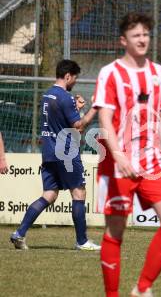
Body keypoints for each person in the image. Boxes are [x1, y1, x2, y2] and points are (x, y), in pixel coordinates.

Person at [93, 12, 161, 297]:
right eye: (136, 35)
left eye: (145, 34)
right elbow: (104, 117)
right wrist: (117, 154)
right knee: (115, 232)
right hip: (117, 163)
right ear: (123, 40)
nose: (142, 39)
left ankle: (142, 289)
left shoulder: (159, 73)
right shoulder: (110, 73)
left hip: (151, 161)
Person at [10, 59, 100, 251]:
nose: (75, 81)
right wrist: (95, 108)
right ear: (68, 76)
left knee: (49, 194)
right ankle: (82, 241)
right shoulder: (65, 97)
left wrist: (77, 109)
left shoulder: (47, 95)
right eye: (74, 78)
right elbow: (79, 126)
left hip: (49, 151)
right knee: (79, 192)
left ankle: (19, 233)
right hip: (66, 151)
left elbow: (63, 122)